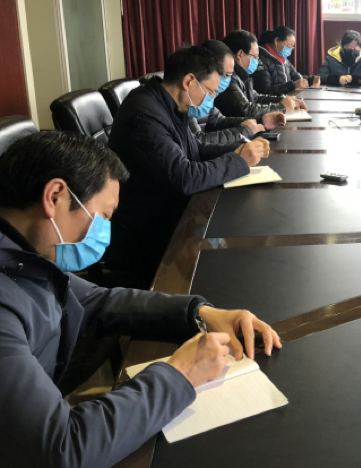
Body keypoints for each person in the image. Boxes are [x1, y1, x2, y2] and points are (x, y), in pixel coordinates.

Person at [0, 131, 281, 468]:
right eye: (103, 216)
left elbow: (94, 301)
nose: (105, 230)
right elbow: (62, 449)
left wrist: (200, 312)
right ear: (55, 197)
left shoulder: (24, 255)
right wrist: (181, 373)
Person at [106, 46, 271, 284]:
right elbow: (184, 177)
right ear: (189, 81)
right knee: (234, 255)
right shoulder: (145, 115)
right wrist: (238, 161)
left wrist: (240, 150)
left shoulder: (169, 102)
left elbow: (196, 149)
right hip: (151, 226)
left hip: (173, 209)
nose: (211, 100)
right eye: (210, 92)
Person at [189, 40, 286, 144]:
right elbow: (196, 142)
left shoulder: (209, 92)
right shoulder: (187, 96)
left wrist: (260, 121)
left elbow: (217, 121)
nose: (227, 80)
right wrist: (245, 131)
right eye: (225, 75)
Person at [216, 30, 307, 119]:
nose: (257, 61)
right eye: (254, 57)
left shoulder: (242, 74)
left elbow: (255, 98)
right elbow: (245, 110)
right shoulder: (227, 78)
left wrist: (283, 100)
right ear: (240, 55)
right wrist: (281, 107)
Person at [254, 27, 320, 96]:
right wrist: (293, 85)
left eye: (292, 47)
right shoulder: (260, 59)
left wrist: (312, 80)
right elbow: (265, 90)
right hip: (274, 102)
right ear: (276, 41)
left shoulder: (284, 60)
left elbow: (296, 77)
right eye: (289, 46)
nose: (290, 49)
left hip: (288, 99)